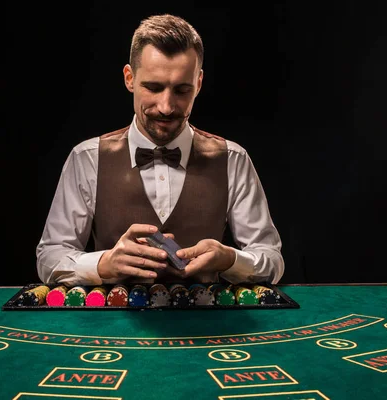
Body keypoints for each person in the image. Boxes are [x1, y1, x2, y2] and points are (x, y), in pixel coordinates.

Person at [36, 14, 284, 287]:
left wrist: (230, 259)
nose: (166, 106)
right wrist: (103, 264)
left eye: (181, 90)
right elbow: (50, 257)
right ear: (129, 78)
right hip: (112, 327)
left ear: (198, 84)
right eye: (153, 88)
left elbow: (271, 259)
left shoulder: (233, 159)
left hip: (208, 327)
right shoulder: (86, 158)